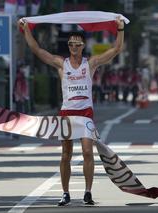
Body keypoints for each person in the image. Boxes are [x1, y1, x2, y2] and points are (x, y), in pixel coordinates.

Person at [20, 16, 124, 206]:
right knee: (66, 154)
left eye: (77, 44)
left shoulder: (90, 63)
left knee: (87, 152)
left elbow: (116, 49)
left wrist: (120, 29)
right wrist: (27, 29)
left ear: (83, 46)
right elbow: (37, 50)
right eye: (70, 44)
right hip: (67, 113)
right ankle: (65, 193)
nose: (73, 47)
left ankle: (87, 192)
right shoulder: (62, 63)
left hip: (85, 113)